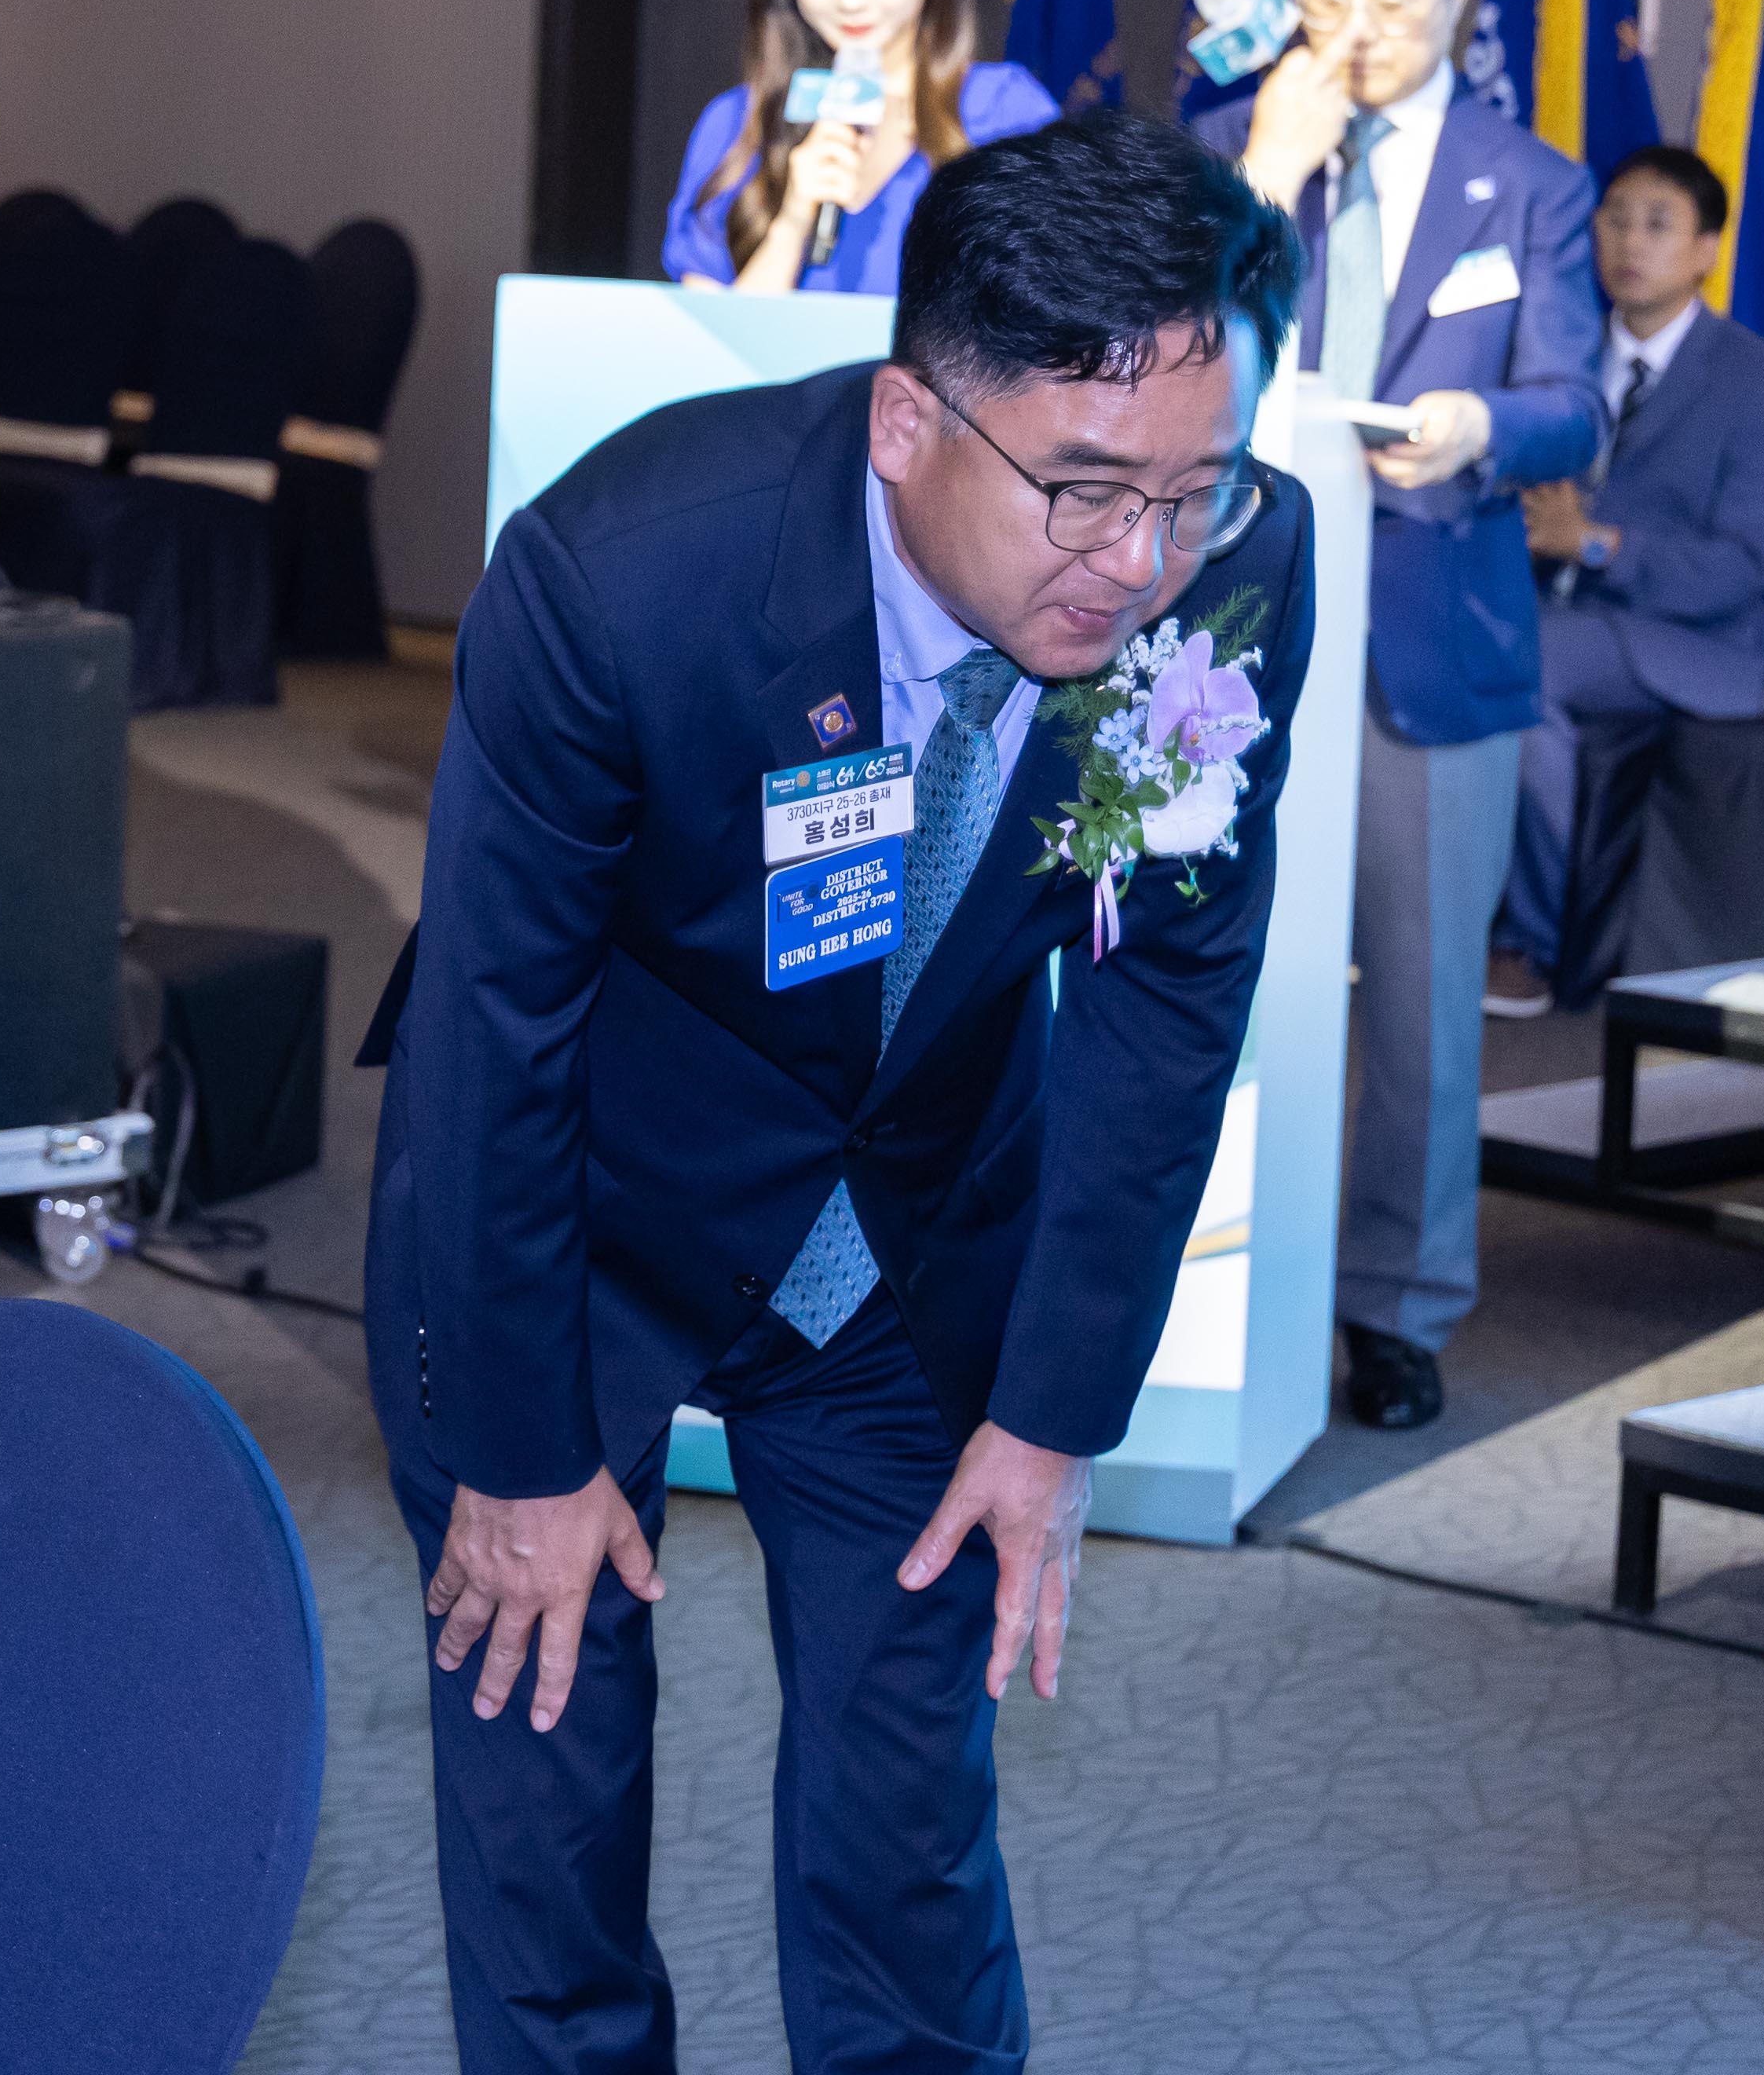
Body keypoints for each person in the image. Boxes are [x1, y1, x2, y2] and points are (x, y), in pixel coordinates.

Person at [373, 115, 1311, 2073]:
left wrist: (1051, 1414)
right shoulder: (621, 578)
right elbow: (494, 1034)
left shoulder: (1229, 570)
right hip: (577, 1214)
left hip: (907, 1228)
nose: (1137, 563)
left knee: (907, 1825)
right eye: (1082, 491)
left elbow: (1164, 1003)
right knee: (548, 1800)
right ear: (906, 422)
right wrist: (525, 1461)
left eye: (1190, 491)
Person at [1200, 0, 1600, 1433]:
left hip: (1437, 633)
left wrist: (1480, 424)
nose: (1356, 27)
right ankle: (1206, 1272)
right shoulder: (1231, 143)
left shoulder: (1535, 180)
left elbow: (1574, 404)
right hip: (1230, 622)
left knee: (1426, 999)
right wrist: (1264, 174)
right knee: (1203, 961)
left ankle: (1397, 1303)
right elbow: (1159, 342)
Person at [1487, 145, 1764, 1016]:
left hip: (1692, 644)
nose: (1631, 242)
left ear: (1707, 249)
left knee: (1525, 667)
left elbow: (1744, 564)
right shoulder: (1554, 360)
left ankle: (1534, 942)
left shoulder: (1762, 381)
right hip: (1546, 612)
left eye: (1659, 225)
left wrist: (1592, 546)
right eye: (1616, 219)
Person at [659, 0, 1053, 298]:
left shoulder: (1004, 112)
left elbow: (1054, 313)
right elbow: (714, 339)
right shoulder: (735, 127)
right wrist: (793, 222)